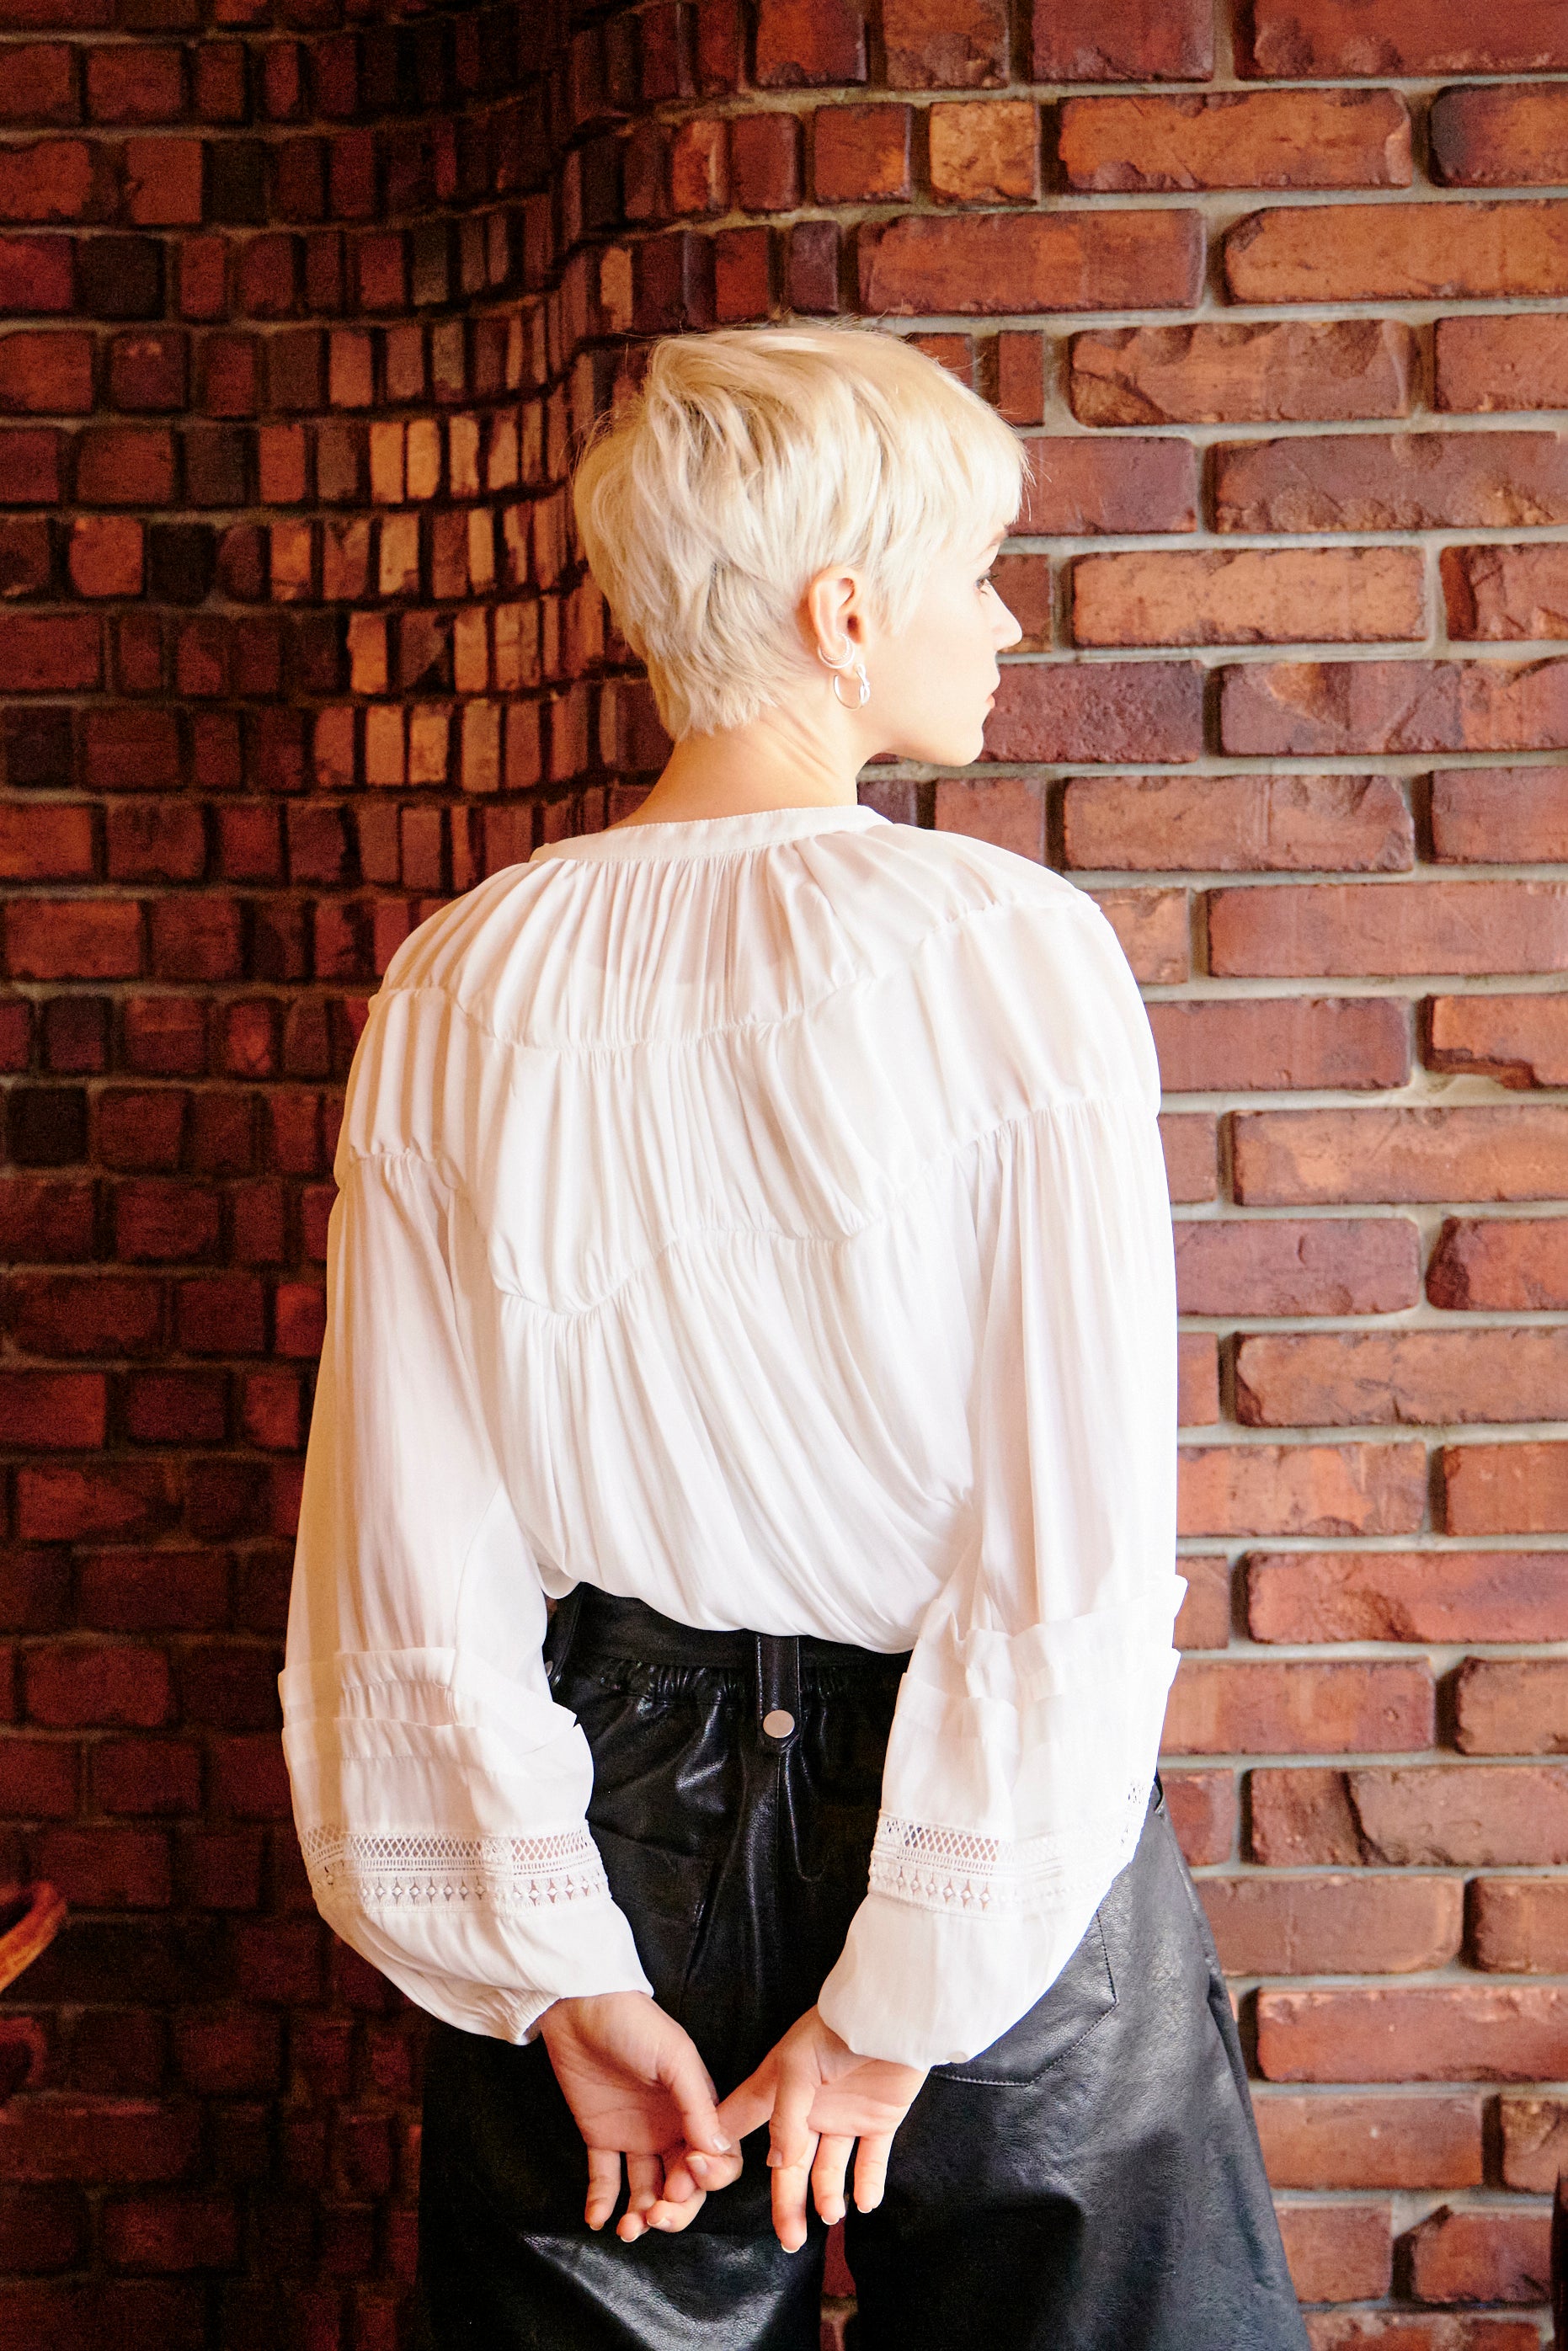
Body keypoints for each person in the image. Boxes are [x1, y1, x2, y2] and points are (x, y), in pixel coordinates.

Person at [280, 320, 1309, 2349]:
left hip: (607, 1809)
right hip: (975, 1787)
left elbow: (403, 1541)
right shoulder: (1004, 952)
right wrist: (919, 1979)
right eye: (974, 573)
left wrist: (558, 1968)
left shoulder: (462, 978)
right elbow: (1073, 1533)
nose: (1003, 623)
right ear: (844, 615)